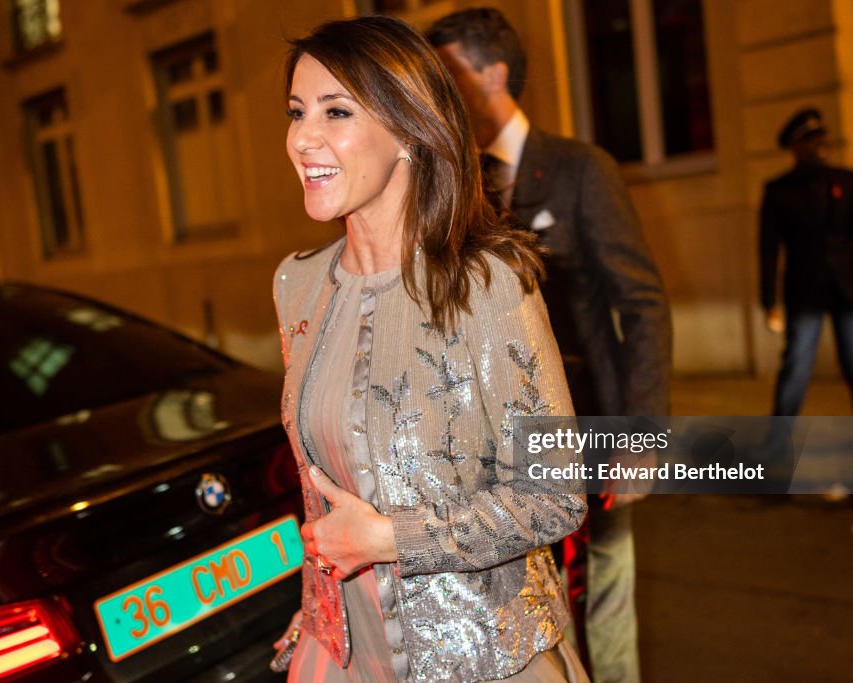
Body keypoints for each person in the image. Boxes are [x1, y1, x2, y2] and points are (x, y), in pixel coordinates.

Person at [271, 15, 589, 683]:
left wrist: (391, 537)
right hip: (345, 655)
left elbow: (557, 493)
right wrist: (318, 611)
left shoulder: (488, 284)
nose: (303, 138)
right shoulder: (296, 285)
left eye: (335, 111)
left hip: (483, 660)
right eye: (298, 112)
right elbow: (322, 495)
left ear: (408, 130)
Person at [427, 9, 671, 683]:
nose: (437, 93)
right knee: (530, 599)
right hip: (496, 446)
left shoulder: (580, 169)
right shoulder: (448, 181)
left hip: (591, 423)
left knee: (607, 588)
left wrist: (643, 434)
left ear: (494, 74)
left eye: (448, 75)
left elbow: (642, 301)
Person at [760, 108, 853, 421]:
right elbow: (768, 250)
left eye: (821, 139)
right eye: (811, 141)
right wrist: (769, 302)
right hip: (805, 291)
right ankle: (778, 439)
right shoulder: (779, 191)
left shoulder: (847, 181)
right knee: (797, 363)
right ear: (795, 148)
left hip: (848, 288)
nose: (820, 146)